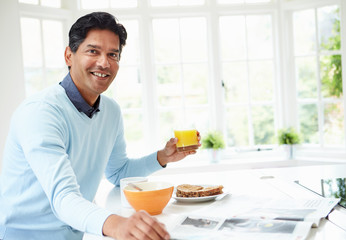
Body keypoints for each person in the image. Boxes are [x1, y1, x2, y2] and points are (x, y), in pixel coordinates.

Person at [0, 12, 200, 240]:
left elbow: (118, 173)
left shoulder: (111, 111)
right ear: (69, 55)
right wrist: (116, 225)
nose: (104, 63)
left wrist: (163, 157)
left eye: (112, 54)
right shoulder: (41, 112)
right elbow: (63, 197)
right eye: (93, 51)